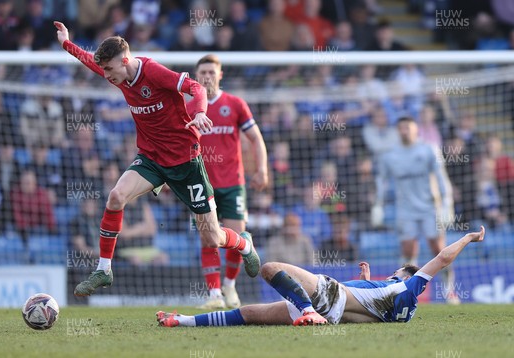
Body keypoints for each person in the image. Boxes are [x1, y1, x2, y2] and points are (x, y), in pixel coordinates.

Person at [53, 21, 261, 296]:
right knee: (116, 196)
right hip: (151, 158)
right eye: (104, 70)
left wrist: (199, 112)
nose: (106, 75)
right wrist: (67, 43)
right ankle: (104, 269)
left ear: (125, 61)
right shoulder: (117, 73)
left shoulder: (152, 72)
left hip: (186, 162)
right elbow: (91, 61)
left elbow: (196, 89)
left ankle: (244, 244)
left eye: (110, 69)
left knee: (212, 236)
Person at [156, 227, 485, 327]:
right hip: (336, 313)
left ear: (404, 274)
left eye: (399, 271)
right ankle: (182, 321)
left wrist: (468, 238)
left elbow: (441, 257)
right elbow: (371, 305)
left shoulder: (408, 283)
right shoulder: (402, 311)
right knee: (248, 314)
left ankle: (307, 310)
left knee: (270, 268)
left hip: (330, 297)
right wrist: (367, 280)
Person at [186, 54, 268, 310]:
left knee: (236, 237)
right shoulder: (188, 107)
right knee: (208, 239)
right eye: (203, 72)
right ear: (195, 76)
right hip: (200, 184)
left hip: (233, 183)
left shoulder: (234, 104)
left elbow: (256, 138)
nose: (207, 76)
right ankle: (214, 295)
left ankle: (230, 286)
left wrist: (263, 169)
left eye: (212, 72)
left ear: (220, 75)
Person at [372, 116, 459, 304]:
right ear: (398, 131)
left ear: (415, 130)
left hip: (430, 207)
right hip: (405, 209)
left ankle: (449, 291)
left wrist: (447, 203)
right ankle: (405, 291)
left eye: (408, 128)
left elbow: (441, 177)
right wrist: (378, 204)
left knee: (438, 249)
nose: (404, 131)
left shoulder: (428, 149)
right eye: (401, 128)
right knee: (408, 250)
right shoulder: (390, 155)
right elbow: (382, 180)